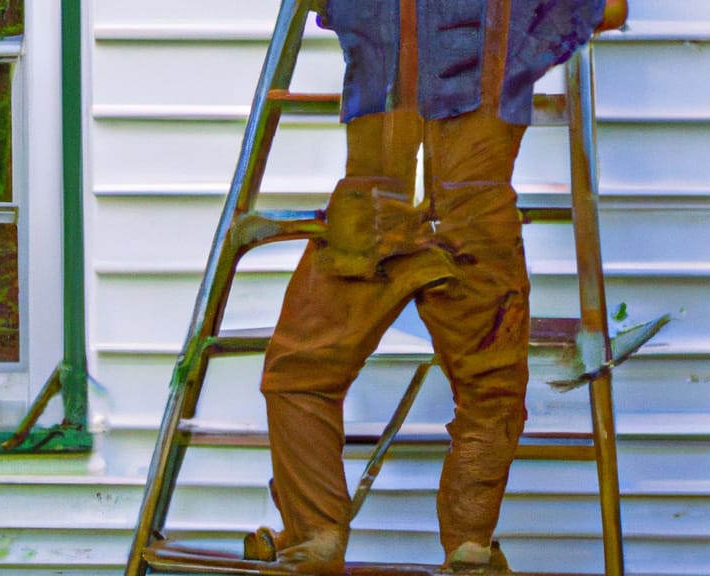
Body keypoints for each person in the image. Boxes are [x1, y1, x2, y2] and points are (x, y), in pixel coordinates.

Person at [250, 1, 627, 572]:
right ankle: (470, 547)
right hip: (477, 218)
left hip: (373, 209)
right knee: (491, 392)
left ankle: (315, 536)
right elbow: (614, 8)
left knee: (301, 374)